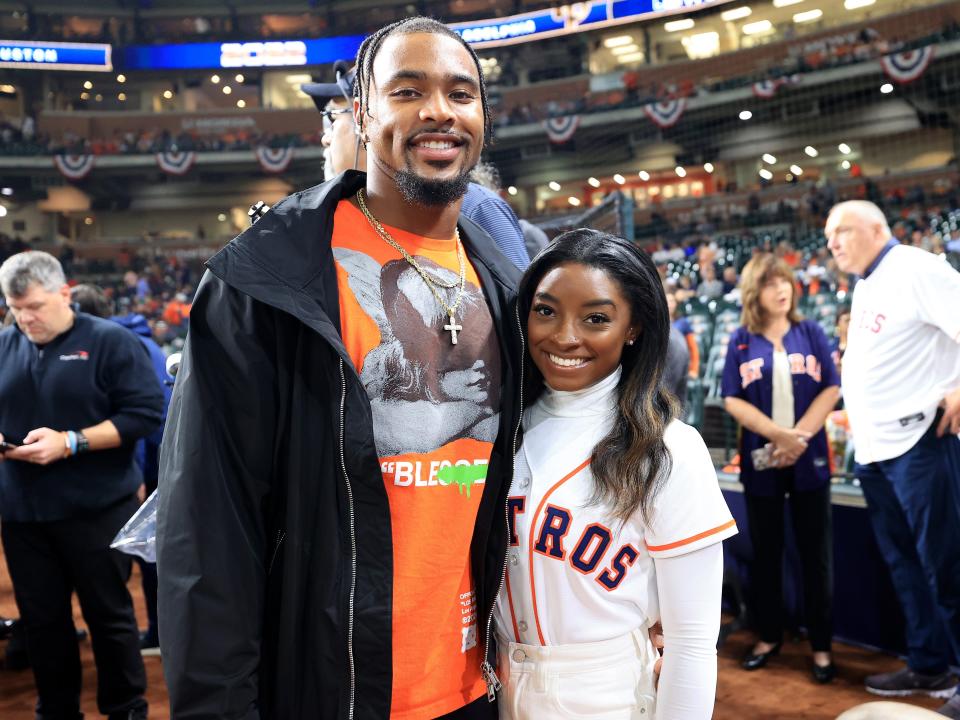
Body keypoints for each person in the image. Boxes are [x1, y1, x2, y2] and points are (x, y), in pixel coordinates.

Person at [157, 18, 522, 719]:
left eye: (460, 92)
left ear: (481, 116)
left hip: (478, 689)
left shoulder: (507, 283)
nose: (439, 110)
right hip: (330, 690)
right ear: (362, 113)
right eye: (407, 90)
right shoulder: (265, 278)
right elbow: (208, 528)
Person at [495, 229, 737, 719]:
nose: (564, 336)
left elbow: (691, 643)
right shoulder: (497, 430)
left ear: (633, 328)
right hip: (495, 682)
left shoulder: (670, 449)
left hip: (608, 690)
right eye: (545, 310)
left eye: (596, 318)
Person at [0, 251, 164, 720]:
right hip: (24, 514)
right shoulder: (5, 344)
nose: (25, 318)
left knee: (109, 618)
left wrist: (72, 442)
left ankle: (126, 710)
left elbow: (144, 414)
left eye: (34, 306)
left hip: (95, 509)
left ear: (64, 293)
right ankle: (55, 710)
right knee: (42, 623)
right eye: (15, 308)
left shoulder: (110, 341)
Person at [825, 200, 960, 717]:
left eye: (842, 230)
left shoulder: (916, 268)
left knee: (948, 564)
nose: (833, 241)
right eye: (828, 233)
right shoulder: (868, 281)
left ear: (878, 228)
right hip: (878, 450)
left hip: (923, 443)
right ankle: (928, 664)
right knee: (905, 565)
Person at [720, 253, 841, 683]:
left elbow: (831, 385)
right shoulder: (739, 340)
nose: (782, 289)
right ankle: (769, 636)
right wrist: (778, 435)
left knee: (816, 557)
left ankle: (822, 645)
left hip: (810, 459)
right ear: (756, 291)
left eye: (785, 281)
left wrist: (799, 437)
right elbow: (731, 397)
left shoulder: (810, 331)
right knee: (767, 555)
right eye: (772, 284)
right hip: (762, 460)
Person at [302, 60, 531, 270]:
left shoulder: (476, 208)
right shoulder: (353, 220)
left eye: (331, 118)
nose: (325, 137)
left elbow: (518, 311)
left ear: (362, 121)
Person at [70, 283, 171, 655]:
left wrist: (138, 478)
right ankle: (161, 633)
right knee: (153, 551)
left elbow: (141, 419)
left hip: (147, 461)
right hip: (160, 456)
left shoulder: (116, 345)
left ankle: (159, 635)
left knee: (145, 552)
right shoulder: (138, 338)